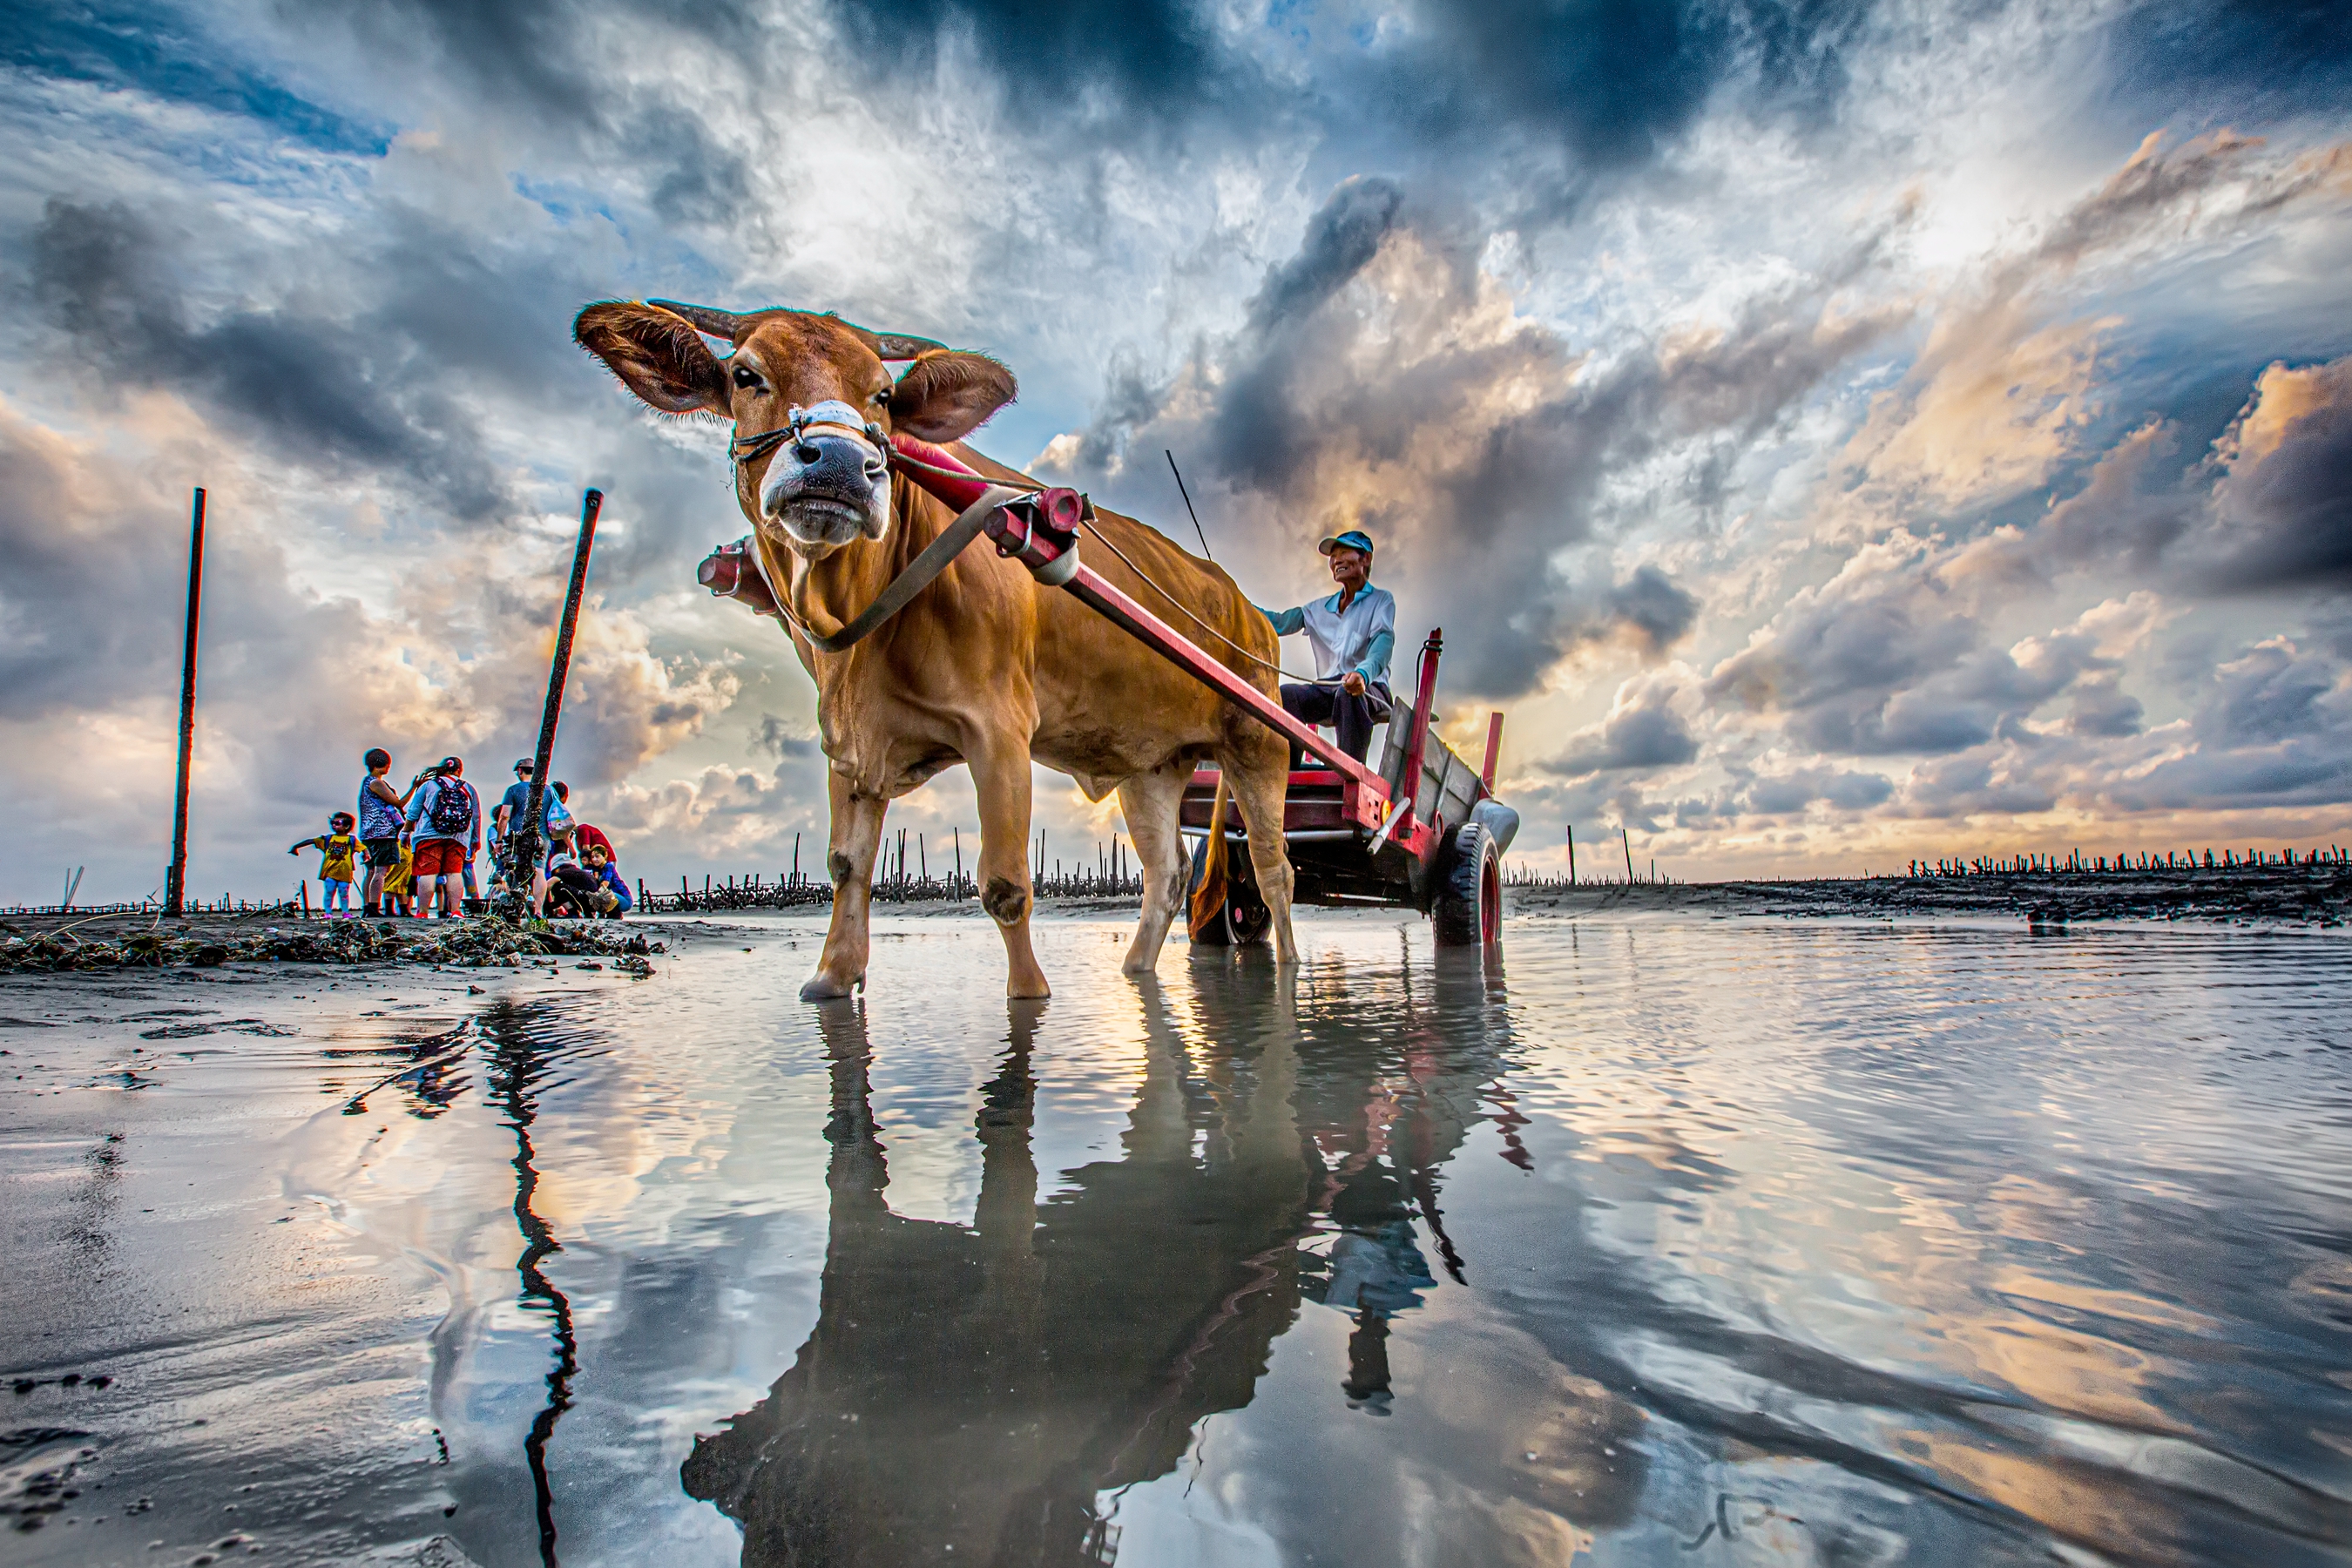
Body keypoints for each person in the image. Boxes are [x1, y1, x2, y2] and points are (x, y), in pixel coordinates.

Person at [1256, 528, 1396, 763]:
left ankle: (1349, 771)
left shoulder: (1381, 601)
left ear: (1366, 558)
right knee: (1288, 695)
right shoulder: (1320, 608)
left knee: (1348, 694)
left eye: (1344, 552)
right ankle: (1286, 768)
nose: (1336, 560)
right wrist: (1238, 603)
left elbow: (1382, 644)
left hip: (1369, 688)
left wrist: (1362, 674)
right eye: (1333, 556)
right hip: (1328, 688)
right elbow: (1280, 623)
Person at [404, 756, 483, 920]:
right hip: (459, 837)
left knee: (428, 873)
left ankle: (423, 912)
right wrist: (475, 840)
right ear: (459, 770)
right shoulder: (468, 788)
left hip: (429, 835)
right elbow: (476, 816)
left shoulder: (428, 785)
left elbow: (413, 812)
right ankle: (455, 911)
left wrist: (405, 832)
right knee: (454, 873)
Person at [357, 748, 420, 917]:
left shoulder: (366, 783)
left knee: (371, 871)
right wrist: (414, 788)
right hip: (383, 833)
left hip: (369, 834)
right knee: (381, 871)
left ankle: (368, 907)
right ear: (384, 765)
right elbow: (399, 803)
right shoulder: (376, 783)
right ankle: (373, 906)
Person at [536, 826, 619, 917]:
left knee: (558, 887)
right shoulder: (577, 871)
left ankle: (574, 913)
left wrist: (544, 904)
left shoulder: (563, 872)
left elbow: (547, 885)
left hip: (591, 901)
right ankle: (588, 913)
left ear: (557, 868)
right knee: (571, 889)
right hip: (598, 902)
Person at [289, 813, 362, 916]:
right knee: (329, 892)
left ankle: (345, 912)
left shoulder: (351, 840)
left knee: (344, 893)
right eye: (332, 822)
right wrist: (295, 847)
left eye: (337, 823)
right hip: (330, 871)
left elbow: (363, 848)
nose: (334, 825)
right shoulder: (328, 839)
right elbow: (311, 841)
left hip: (345, 872)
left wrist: (367, 856)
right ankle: (328, 913)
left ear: (346, 826)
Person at [585, 843, 632, 914]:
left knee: (605, 895)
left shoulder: (608, 866)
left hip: (624, 900)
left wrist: (597, 894)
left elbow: (605, 883)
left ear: (604, 856)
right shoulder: (597, 870)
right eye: (592, 857)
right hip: (611, 898)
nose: (595, 859)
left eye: (597, 856)